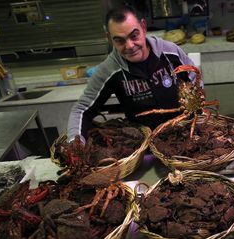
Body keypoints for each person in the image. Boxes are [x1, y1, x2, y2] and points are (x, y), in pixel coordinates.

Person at [67, 5, 194, 142]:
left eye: (134, 36)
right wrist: (75, 142)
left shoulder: (170, 52)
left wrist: (195, 111)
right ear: (110, 39)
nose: (130, 46)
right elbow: (81, 109)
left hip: (185, 134)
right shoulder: (109, 69)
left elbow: (193, 78)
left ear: (143, 27)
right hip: (143, 144)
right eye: (120, 40)